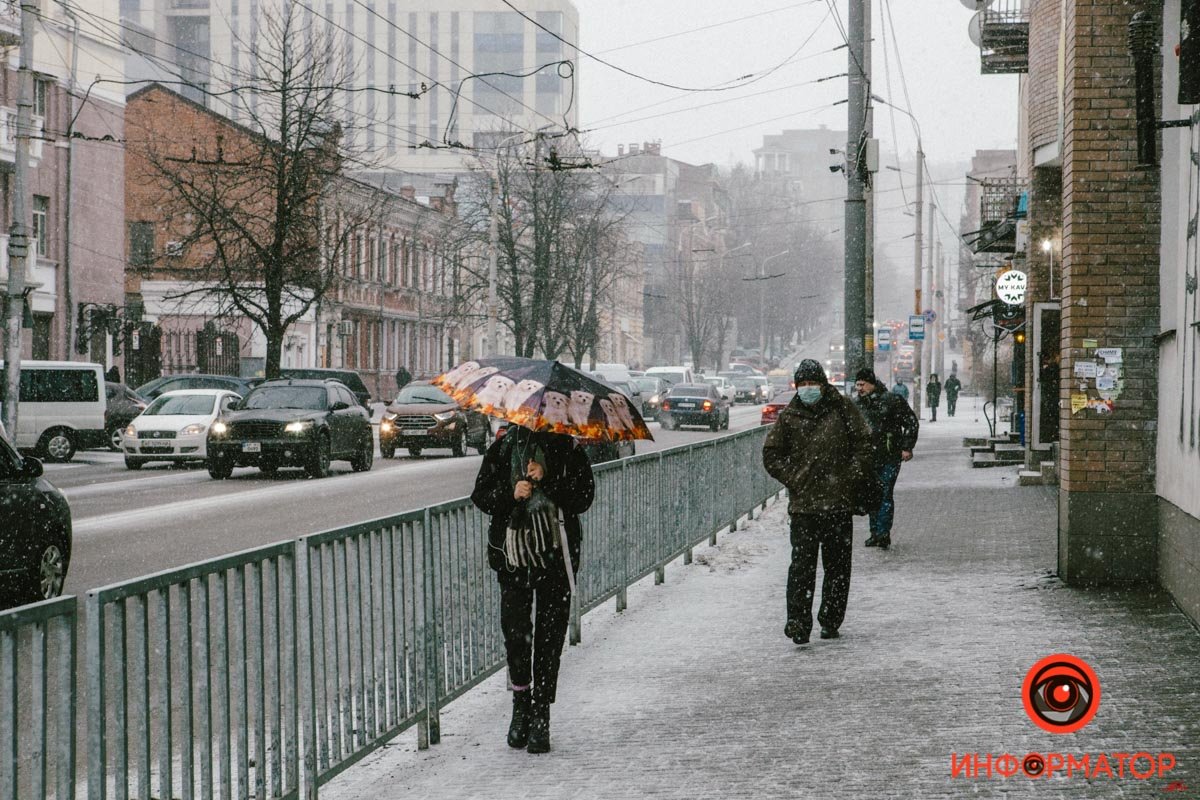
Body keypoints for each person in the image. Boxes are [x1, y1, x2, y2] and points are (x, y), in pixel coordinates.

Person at [471, 424, 595, 753]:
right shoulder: (503, 448)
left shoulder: (567, 449)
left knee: (549, 638)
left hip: (556, 558)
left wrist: (548, 478)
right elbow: (480, 495)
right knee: (516, 634)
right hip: (512, 560)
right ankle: (521, 705)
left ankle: (542, 713)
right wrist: (511, 494)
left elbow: (583, 497)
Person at [762, 359, 873, 645]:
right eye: (803, 384)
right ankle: (798, 622)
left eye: (813, 383)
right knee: (801, 567)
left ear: (823, 385)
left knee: (837, 566)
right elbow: (771, 455)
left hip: (838, 504)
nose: (808, 389)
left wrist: (849, 475)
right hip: (805, 507)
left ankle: (831, 619)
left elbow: (864, 443)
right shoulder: (790, 416)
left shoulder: (842, 408)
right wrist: (795, 478)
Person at [853, 369, 919, 550]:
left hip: (889, 455)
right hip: (867, 459)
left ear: (872, 383)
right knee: (872, 494)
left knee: (884, 493)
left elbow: (911, 422)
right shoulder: (857, 405)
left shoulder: (891, 401)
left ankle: (882, 533)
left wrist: (906, 447)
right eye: (857, 385)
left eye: (862, 384)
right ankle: (875, 533)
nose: (859, 388)